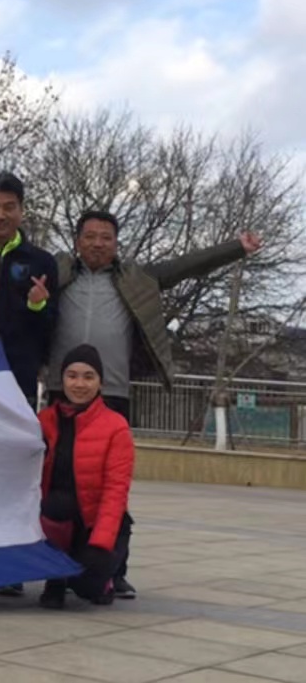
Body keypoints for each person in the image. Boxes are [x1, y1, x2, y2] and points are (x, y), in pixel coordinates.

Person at [47, 210, 262, 599]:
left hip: (112, 394)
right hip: (62, 393)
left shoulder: (136, 278)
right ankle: (53, 566)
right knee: (57, 483)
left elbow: (185, 266)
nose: (97, 243)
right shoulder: (57, 271)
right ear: (77, 241)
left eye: (106, 237)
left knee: (111, 486)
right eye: (90, 236)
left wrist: (236, 248)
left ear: (116, 244)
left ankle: (114, 568)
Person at [37, 344, 134, 610]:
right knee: (55, 505)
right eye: (72, 376)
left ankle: (104, 579)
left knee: (88, 587)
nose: (79, 384)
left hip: (95, 521)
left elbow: (116, 491)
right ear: (62, 380)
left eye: (89, 376)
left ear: (100, 382)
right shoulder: (43, 421)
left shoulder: (116, 426)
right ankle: (55, 579)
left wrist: (101, 545)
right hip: (58, 516)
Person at [0, 171, 59, 407]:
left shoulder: (42, 262)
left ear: (21, 210)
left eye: (9, 207)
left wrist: (37, 306)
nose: (0, 215)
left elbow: (50, 327)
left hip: (19, 380)